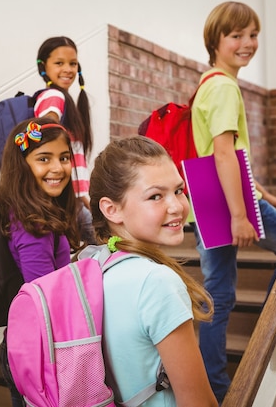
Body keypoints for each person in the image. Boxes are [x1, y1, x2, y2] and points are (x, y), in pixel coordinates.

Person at [190, 1, 276, 403]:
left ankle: (214, 386)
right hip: (225, 203)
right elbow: (222, 153)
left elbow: (227, 156)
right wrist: (240, 213)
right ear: (216, 41)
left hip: (210, 199)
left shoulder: (209, 83)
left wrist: (264, 195)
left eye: (252, 34)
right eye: (236, 35)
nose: (247, 43)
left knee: (218, 295)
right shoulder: (223, 86)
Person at [86, 136, 218, 407]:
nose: (176, 206)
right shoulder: (156, 282)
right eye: (156, 196)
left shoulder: (98, 267)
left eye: (179, 191)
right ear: (112, 209)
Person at [0, 117, 79, 406]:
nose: (57, 168)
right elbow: (45, 302)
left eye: (64, 157)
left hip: (26, 346)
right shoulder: (34, 227)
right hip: (41, 351)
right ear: (22, 165)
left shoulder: (23, 212)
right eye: (44, 158)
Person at [34, 36, 96, 245]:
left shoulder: (68, 101)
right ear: (43, 67)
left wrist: (84, 198)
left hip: (76, 202)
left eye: (73, 63)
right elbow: (46, 132)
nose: (68, 69)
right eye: (59, 63)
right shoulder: (54, 96)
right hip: (65, 203)